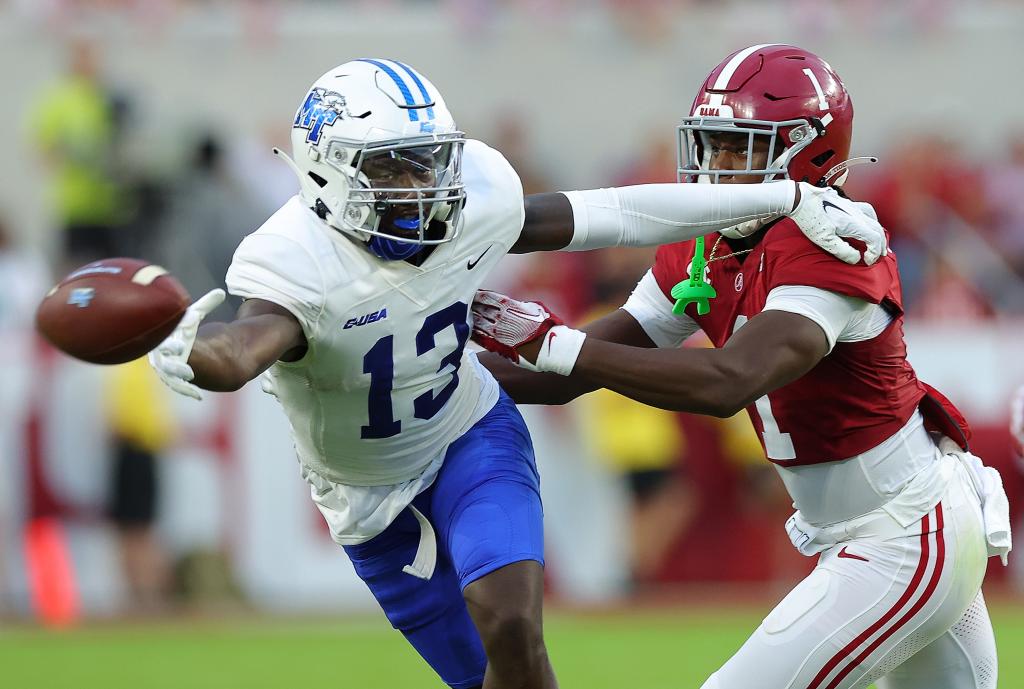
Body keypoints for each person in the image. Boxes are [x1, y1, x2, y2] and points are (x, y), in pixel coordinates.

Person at [147, 58, 885, 689]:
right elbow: (245, 345)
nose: (419, 185)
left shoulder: (472, 196)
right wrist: (186, 345)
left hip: (470, 432)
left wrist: (785, 196)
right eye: (391, 167)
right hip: (370, 499)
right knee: (486, 673)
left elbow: (619, 212)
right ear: (323, 170)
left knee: (511, 621)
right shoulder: (290, 259)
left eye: (426, 160)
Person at [470, 45, 1010, 689]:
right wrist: (437, 364)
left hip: (903, 533)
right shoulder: (712, 240)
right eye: (712, 146)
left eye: (738, 148)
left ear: (808, 151)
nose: (715, 169)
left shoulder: (832, 243)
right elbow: (574, 372)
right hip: (876, 532)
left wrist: (548, 341)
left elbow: (731, 380)